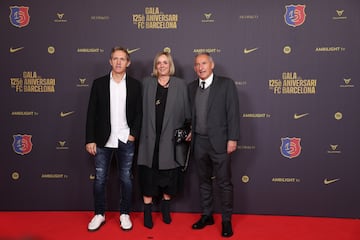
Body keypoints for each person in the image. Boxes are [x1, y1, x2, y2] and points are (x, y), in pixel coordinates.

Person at [85, 46, 142, 231]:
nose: (118, 62)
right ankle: (99, 214)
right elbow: (91, 113)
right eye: (115, 59)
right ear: (110, 61)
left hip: (126, 138)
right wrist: (90, 139)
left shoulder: (135, 85)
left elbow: (139, 113)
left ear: (128, 62)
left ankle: (124, 214)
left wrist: (133, 133)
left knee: (126, 178)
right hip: (103, 139)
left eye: (122, 59)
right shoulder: (99, 83)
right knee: (101, 178)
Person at [188, 52, 240, 238]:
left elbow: (233, 113)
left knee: (224, 183)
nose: (200, 67)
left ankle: (226, 220)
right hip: (199, 142)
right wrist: (189, 131)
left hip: (220, 143)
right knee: (203, 182)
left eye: (204, 63)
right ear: (195, 68)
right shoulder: (191, 87)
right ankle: (207, 215)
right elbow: (190, 116)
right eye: (197, 64)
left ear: (212, 65)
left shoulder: (226, 85)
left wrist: (232, 138)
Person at [137, 51, 191, 229]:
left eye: (165, 62)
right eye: (158, 63)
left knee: (169, 176)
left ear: (170, 65)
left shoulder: (180, 85)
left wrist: (187, 131)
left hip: (170, 140)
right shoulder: (146, 83)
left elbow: (187, 115)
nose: (161, 65)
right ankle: (147, 212)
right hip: (149, 139)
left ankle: (166, 209)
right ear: (155, 66)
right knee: (148, 176)